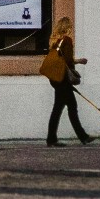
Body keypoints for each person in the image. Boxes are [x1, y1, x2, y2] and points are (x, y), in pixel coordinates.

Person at [41, 13, 91, 144]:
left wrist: (76, 61)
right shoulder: (67, 40)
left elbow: (60, 59)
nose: (71, 29)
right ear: (67, 27)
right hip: (63, 79)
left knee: (60, 108)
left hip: (55, 79)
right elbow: (68, 60)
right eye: (71, 27)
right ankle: (82, 137)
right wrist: (79, 61)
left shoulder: (54, 41)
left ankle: (53, 138)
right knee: (69, 107)